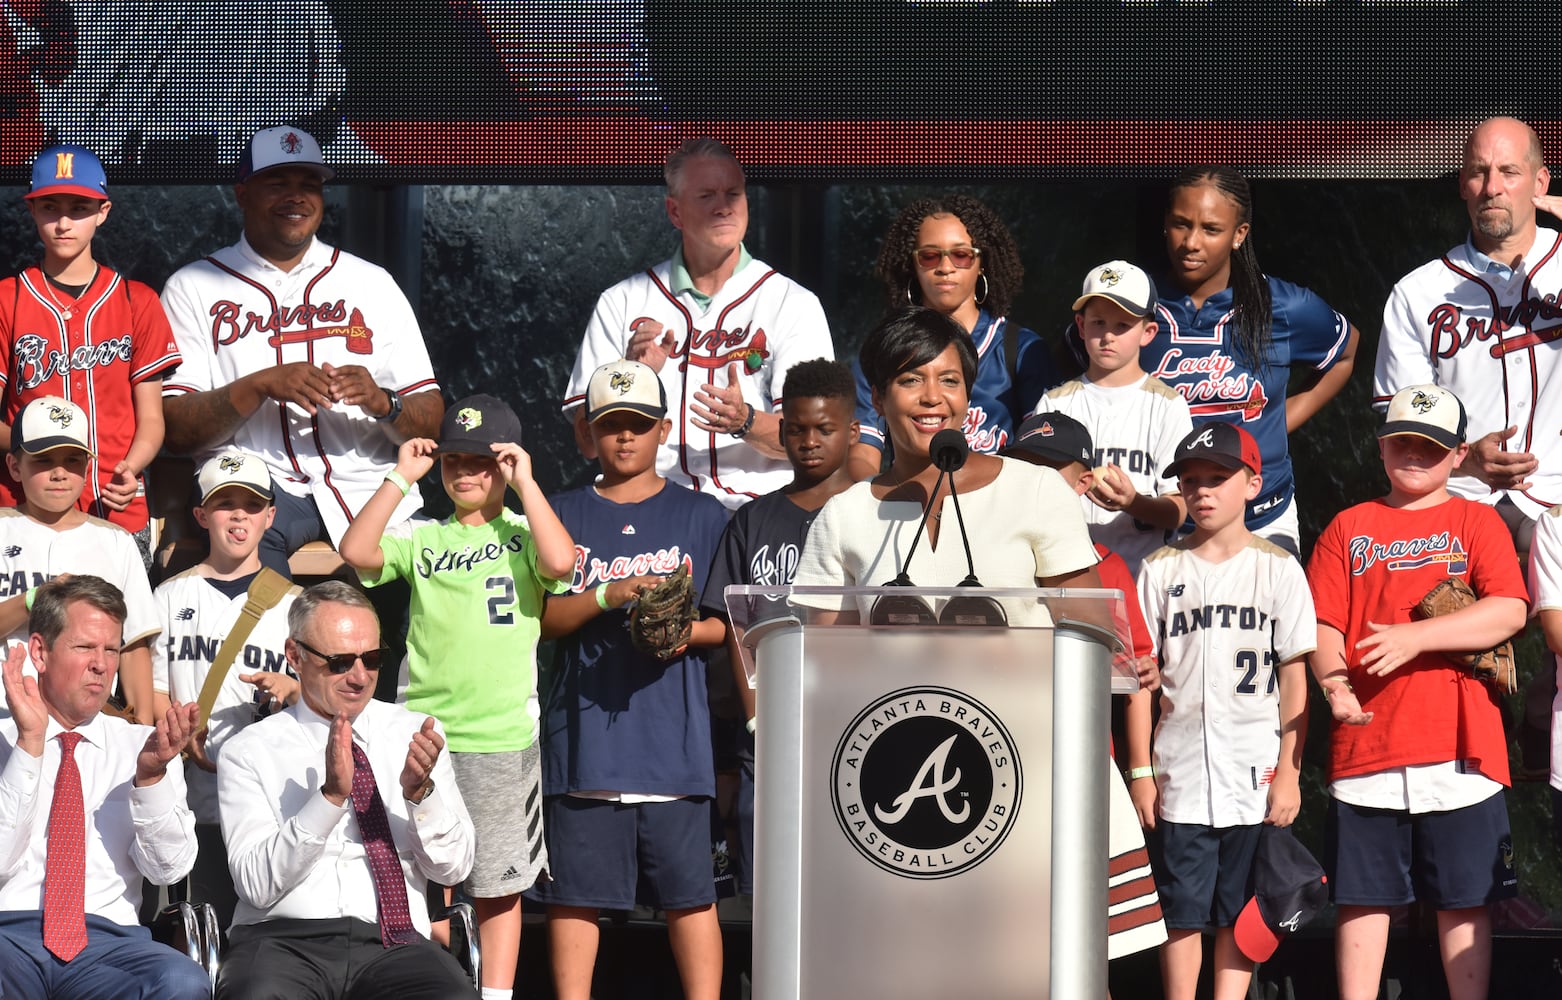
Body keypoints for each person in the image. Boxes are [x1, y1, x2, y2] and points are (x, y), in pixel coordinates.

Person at [339, 392, 574, 1000]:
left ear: (506, 463)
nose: (466, 473)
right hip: (424, 739)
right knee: (421, 874)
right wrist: (400, 476)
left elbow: (562, 561)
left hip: (500, 740)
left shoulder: (524, 531)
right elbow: (357, 551)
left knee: (499, 885)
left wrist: (526, 483)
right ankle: (432, 985)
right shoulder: (422, 536)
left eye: (482, 462)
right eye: (454, 461)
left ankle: (494, 995)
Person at [1306, 385, 1526, 1000]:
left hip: (1461, 748)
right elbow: (1323, 625)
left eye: (1430, 446)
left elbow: (1509, 611)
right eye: (1401, 439)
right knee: (1361, 901)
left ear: (1459, 455)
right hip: (1369, 741)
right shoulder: (1350, 526)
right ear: (1380, 447)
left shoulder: (1475, 519)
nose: (1413, 453)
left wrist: (1415, 638)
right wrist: (1334, 683)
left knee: (1466, 902)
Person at [160, 125, 444, 575]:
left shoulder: (371, 283)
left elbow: (429, 417)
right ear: (242, 194)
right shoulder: (194, 286)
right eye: (278, 184)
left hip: (366, 481)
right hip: (256, 482)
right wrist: (259, 386)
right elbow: (174, 429)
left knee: (427, 593)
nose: (297, 197)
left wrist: (382, 403)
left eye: (309, 185)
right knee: (247, 564)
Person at [536, 358, 730, 1000]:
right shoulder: (560, 511)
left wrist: (682, 635)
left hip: (671, 746)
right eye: (611, 424)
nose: (625, 438)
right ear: (588, 432)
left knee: (691, 899)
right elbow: (543, 621)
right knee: (576, 900)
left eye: (639, 425)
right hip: (585, 744)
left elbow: (726, 626)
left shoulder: (703, 516)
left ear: (664, 429)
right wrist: (610, 594)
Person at [215, 581, 476, 1000]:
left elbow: (454, 870)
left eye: (372, 659)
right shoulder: (249, 750)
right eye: (339, 662)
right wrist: (329, 799)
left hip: (396, 943)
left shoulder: (413, 734)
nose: (359, 676)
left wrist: (422, 796)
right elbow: (256, 886)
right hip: (282, 940)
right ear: (294, 656)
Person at [1136, 421, 1314, 1000]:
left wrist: (1289, 770)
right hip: (1180, 766)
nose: (1203, 492)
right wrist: (1140, 771)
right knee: (1181, 907)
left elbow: (1294, 675)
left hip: (1251, 766)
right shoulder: (1160, 568)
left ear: (1253, 483)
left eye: (1219, 478)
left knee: (1239, 909)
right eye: (1190, 481)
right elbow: (1142, 678)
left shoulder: (1278, 567)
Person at [561, 137, 834, 511]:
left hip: (758, 514)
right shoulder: (622, 301)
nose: (724, 208)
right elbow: (588, 444)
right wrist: (628, 377)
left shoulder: (793, 303)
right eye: (707, 196)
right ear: (675, 212)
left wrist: (746, 421)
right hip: (651, 514)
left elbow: (817, 442)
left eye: (733, 194)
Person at [794, 307, 1101, 625]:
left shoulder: (1037, 489)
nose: (931, 397)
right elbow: (827, 656)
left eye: (949, 381)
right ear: (877, 399)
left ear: (968, 396)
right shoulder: (844, 515)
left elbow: (1091, 637)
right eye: (911, 380)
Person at [1003, 410, 1168, 970]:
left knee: (1085, 949)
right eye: (1023, 465)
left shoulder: (1106, 564)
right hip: (995, 768)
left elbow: (1137, 674)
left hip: (1078, 775)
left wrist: (1140, 773)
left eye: (1050, 469)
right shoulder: (981, 559)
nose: (1034, 479)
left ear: (1082, 482)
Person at [0, 575, 207, 1000]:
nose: (101, 663)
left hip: (109, 943)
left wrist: (150, 780)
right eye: (84, 647)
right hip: (8, 938)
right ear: (40, 652)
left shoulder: (144, 746)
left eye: (111, 649)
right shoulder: (6, 739)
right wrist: (29, 746)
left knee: (183, 982)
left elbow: (169, 870)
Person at [699, 357, 860, 899]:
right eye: (796, 429)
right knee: (767, 897)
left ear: (853, 431)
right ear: (781, 430)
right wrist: (755, 725)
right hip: (766, 741)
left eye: (824, 429)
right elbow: (737, 633)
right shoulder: (751, 520)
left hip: (854, 733)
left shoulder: (878, 513)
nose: (809, 441)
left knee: (845, 895)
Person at [1142, 166, 1359, 555]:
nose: (1191, 242)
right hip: (1160, 521)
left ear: (1239, 234)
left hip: (1261, 518)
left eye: (1211, 229)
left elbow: (1345, 352)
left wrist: (1276, 423)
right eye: (1180, 224)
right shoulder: (1134, 304)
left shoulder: (1284, 307)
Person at [1374, 117, 1561, 562]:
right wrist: (1466, 457)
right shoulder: (1418, 292)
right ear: (1462, 184)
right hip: (1459, 498)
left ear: (1540, 182)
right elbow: (1397, 415)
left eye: (1509, 172)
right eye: (1479, 171)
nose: (1492, 186)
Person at [0, 143, 180, 552]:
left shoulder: (138, 300)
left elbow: (151, 418)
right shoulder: (7, 299)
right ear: (31, 210)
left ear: (103, 212)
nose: (63, 222)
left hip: (114, 501)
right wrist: (36, 453)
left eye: (79, 208)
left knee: (116, 615)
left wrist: (132, 469)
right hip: (24, 504)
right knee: (24, 616)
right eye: (50, 207)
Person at [151, 449, 301, 929]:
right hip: (190, 802)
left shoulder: (297, 605)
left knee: (265, 937)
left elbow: (326, 703)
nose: (239, 514)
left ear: (270, 516)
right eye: (224, 503)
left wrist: (291, 690)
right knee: (202, 933)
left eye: (252, 504)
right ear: (201, 515)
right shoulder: (169, 596)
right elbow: (150, 690)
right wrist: (172, 725)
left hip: (270, 804)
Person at [847, 193, 1060, 480]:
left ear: (981, 262)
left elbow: (1043, 452)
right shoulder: (885, 349)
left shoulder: (1022, 350)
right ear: (913, 265)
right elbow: (864, 451)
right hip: (910, 508)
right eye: (929, 255)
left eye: (961, 255)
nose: (945, 267)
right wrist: (872, 502)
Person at [0, 396, 159, 722]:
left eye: (73, 460)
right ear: (15, 467)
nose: (60, 473)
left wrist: (142, 727)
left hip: (88, 725)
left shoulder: (116, 541)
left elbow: (131, 646)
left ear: (88, 468)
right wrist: (35, 599)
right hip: (5, 717)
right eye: (43, 460)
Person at [1037, 260, 1191, 573]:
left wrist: (1133, 503)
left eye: (1122, 326)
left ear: (1148, 332)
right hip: (1071, 575)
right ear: (1080, 326)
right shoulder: (1054, 405)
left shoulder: (1167, 405)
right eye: (1098, 323)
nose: (1108, 335)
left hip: (1145, 577)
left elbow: (1179, 509)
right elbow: (1033, 499)